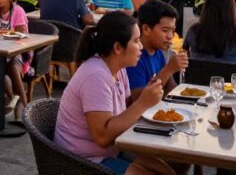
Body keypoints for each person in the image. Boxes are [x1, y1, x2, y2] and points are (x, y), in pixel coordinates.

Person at [54, 12, 176, 174]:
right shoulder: (95, 75)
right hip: (81, 161)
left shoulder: (119, 70)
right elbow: (103, 138)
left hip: (111, 150)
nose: (141, 47)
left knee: (168, 172)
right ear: (118, 47)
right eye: (136, 41)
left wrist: (146, 101)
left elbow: (124, 114)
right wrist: (142, 103)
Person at [126, 0, 188, 101]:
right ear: (146, 29)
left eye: (172, 30)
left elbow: (170, 86)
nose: (170, 36)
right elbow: (137, 99)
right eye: (165, 30)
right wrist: (169, 69)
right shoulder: (135, 56)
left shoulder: (158, 51)